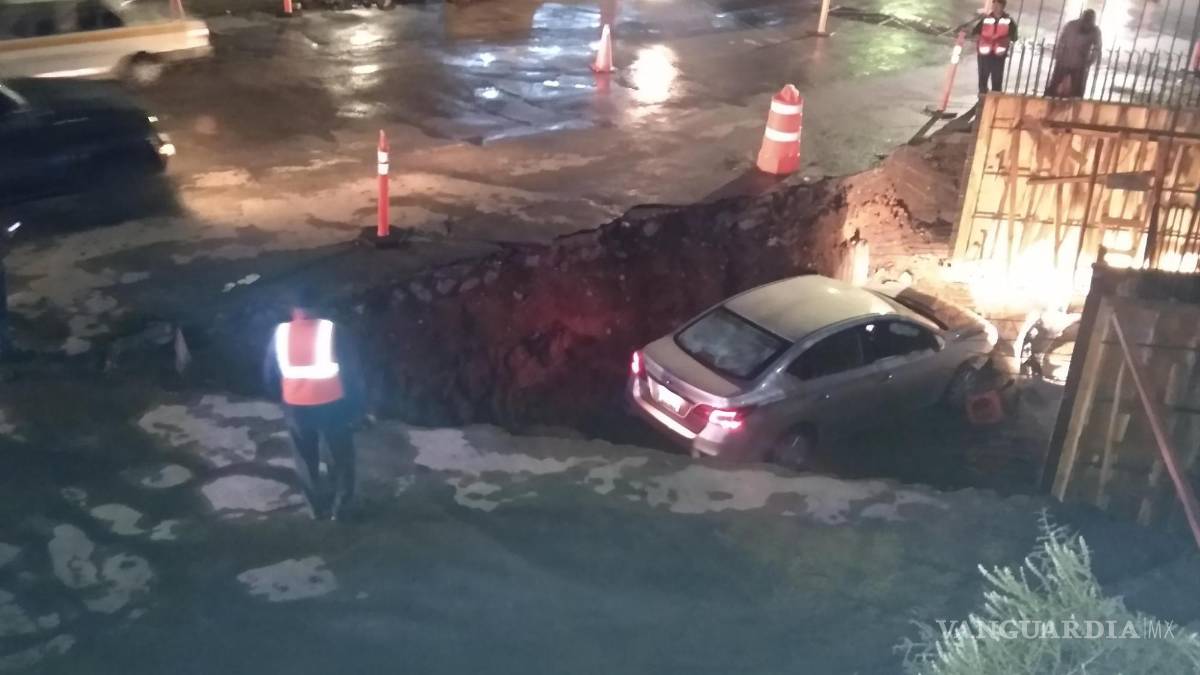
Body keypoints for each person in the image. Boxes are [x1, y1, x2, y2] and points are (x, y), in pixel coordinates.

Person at [263, 288, 366, 521]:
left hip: (296, 406)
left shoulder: (279, 333)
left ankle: (316, 509)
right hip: (332, 404)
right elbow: (353, 373)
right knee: (341, 457)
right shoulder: (334, 331)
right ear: (320, 306)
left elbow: (269, 374)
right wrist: (357, 408)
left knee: (305, 458)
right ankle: (343, 509)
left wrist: (285, 397)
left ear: (293, 310)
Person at [1045, 9, 1102, 98]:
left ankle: (1069, 103)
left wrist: (1089, 61)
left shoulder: (1094, 31)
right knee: (1054, 85)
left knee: (1077, 90)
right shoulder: (1071, 25)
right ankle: (1049, 98)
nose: (1087, 25)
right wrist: (1058, 54)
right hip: (1066, 61)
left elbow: (1097, 48)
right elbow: (1061, 41)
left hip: (1078, 63)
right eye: (1086, 21)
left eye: (1089, 22)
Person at [972, 0, 1018, 95]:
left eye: (998, 5)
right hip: (984, 54)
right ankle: (982, 100)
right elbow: (975, 33)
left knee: (997, 80)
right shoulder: (985, 19)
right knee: (982, 79)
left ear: (1003, 6)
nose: (995, 7)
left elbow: (1014, 36)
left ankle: (995, 101)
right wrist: (977, 37)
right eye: (994, 5)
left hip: (998, 56)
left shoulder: (1009, 21)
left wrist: (1006, 40)